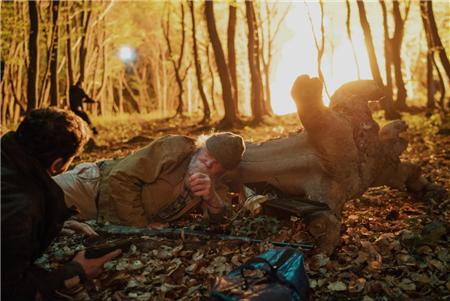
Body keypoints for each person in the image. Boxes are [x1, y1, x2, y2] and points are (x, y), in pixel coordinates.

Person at [1, 108, 121, 300]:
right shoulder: (21, 207)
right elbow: (9, 290)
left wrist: (49, 224)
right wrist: (75, 271)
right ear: (57, 165)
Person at [53, 132, 245, 226]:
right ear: (203, 146)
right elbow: (120, 177)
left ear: (224, 170)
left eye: (217, 162)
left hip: (101, 217)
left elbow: (221, 219)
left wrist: (211, 197)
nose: (208, 162)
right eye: (208, 153)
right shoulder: (176, 148)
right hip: (92, 186)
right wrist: (142, 226)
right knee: (36, 195)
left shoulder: (215, 184)